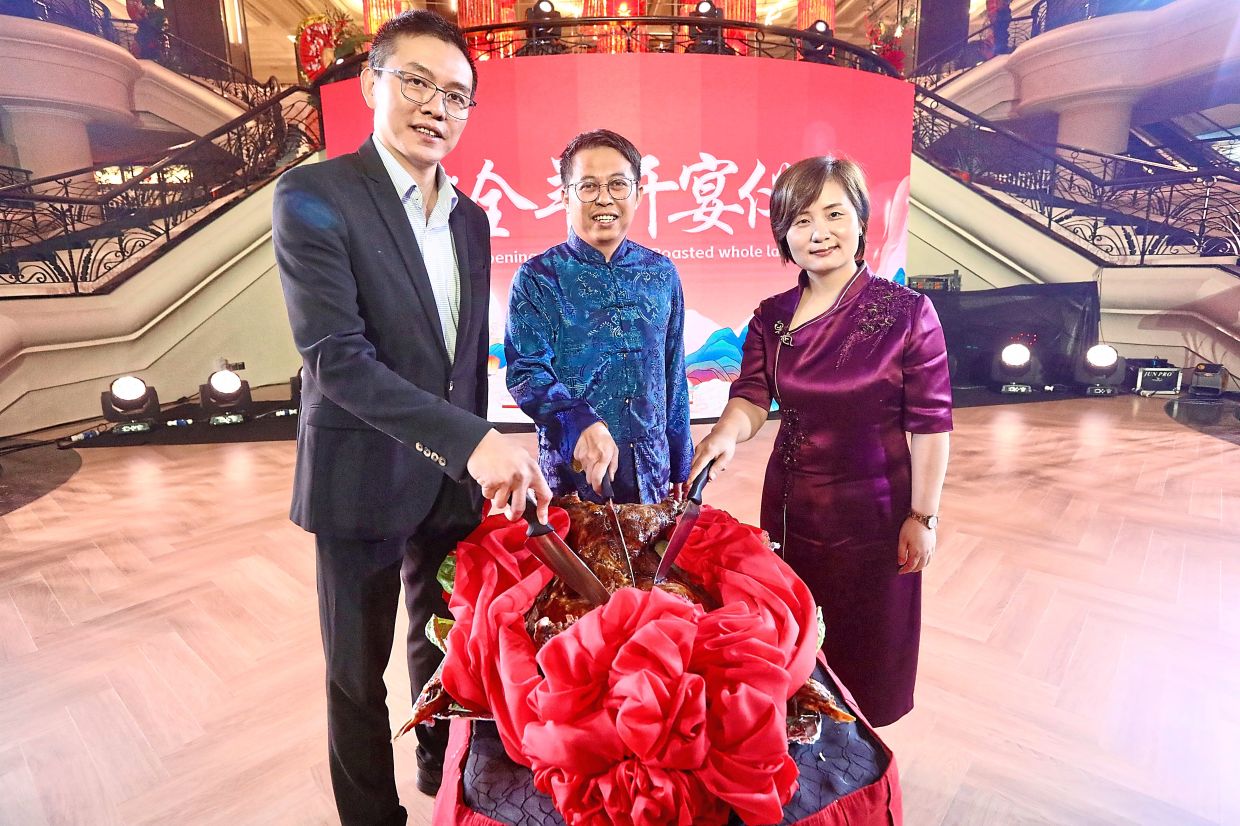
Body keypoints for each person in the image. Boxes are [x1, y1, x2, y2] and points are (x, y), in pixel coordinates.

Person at [271, 11, 551, 825]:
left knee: (445, 643)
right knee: (355, 675)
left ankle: (442, 774)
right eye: (418, 82)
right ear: (371, 84)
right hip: (358, 477)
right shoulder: (316, 196)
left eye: (457, 95)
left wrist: (475, 447)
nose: (437, 106)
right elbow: (336, 357)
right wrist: (474, 442)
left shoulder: (471, 217)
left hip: (449, 490)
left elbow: (460, 358)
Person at [689, 156, 952, 727]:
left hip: (877, 512)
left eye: (834, 214)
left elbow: (930, 424)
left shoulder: (908, 312)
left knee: (866, 646)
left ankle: (858, 760)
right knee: (794, 638)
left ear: (860, 221)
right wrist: (724, 435)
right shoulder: (773, 316)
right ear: (784, 233)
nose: (819, 233)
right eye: (801, 220)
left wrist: (923, 517)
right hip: (791, 507)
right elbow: (753, 395)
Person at [505, 129, 691, 504]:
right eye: (588, 186)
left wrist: (679, 461)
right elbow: (526, 373)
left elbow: (673, 371)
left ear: (638, 194)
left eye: (618, 185)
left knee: (654, 560)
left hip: (651, 471)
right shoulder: (539, 277)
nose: (604, 198)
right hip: (573, 475)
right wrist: (578, 421)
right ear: (565, 196)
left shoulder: (661, 273)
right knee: (578, 561)